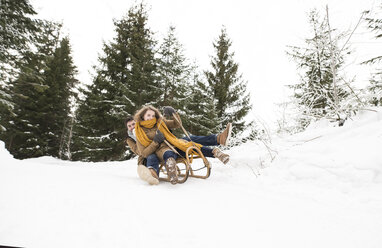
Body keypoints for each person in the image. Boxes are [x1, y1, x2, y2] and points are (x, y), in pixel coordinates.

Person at [132, 105, 231, 185]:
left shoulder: (160, 122)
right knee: (170, 151)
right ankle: (171, 169)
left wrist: (174, 113)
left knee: (189, 145)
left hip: (173, 145)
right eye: (148, 115)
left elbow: (177, 124)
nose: (151, 118)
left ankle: (217, 153)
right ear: (142, 116)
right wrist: (155, 142)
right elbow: (144, 153)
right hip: (159, 152)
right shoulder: (139, 131)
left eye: (153, 115)